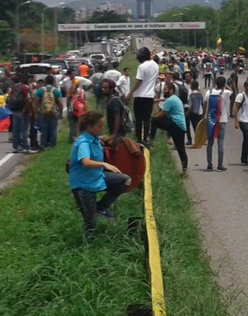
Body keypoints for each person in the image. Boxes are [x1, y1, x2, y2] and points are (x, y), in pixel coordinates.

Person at [69, 111, 129, 240]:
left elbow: (100, 139)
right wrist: (104, 165)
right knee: (90, 222)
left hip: (95, 178)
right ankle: (87, 245)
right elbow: (85, 161)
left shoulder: (94, 138)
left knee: (124, 180)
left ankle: (101, 207)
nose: (101, 129)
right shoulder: (84, 142)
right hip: (83, 185)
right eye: (99, 126)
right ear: (89, 127)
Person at [153, 82, 189, 173]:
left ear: (171, 90)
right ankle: (184, 171)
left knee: (154, 120)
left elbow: (162, 114)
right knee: (181, 149)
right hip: (181, 126)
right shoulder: (174, 98)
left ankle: (150, 140)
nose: (164, 91)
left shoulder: (170, 100)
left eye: (165, 90)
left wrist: (154, 116)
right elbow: (163, 101)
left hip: (175, 125)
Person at [130, 47, 160, 145]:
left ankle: (139, 139)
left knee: (138, 119)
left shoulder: (142, 67)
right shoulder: (156, 65)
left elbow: (139, 81)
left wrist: (130, 93)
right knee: (147, 119)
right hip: (150, 96)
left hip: (139, 96)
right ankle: (145, 138)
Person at [34, 75, 63, 149]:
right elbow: (60, 103)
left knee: (44, 130)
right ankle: (53, 146)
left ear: (45, 82)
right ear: (53, 82)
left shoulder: (40, 90)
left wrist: (36, 112)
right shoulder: (56, 90)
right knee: (53, 130)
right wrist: (61, 112)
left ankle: (43, 145)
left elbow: (36, 102)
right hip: (53, 112)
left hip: (43, 112)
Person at [233, 77, 248, 167]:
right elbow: (236, 108)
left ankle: (244, 158)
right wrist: (236, 121)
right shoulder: (241, 96)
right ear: (245, 87)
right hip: (242, 120)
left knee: (246, 140)